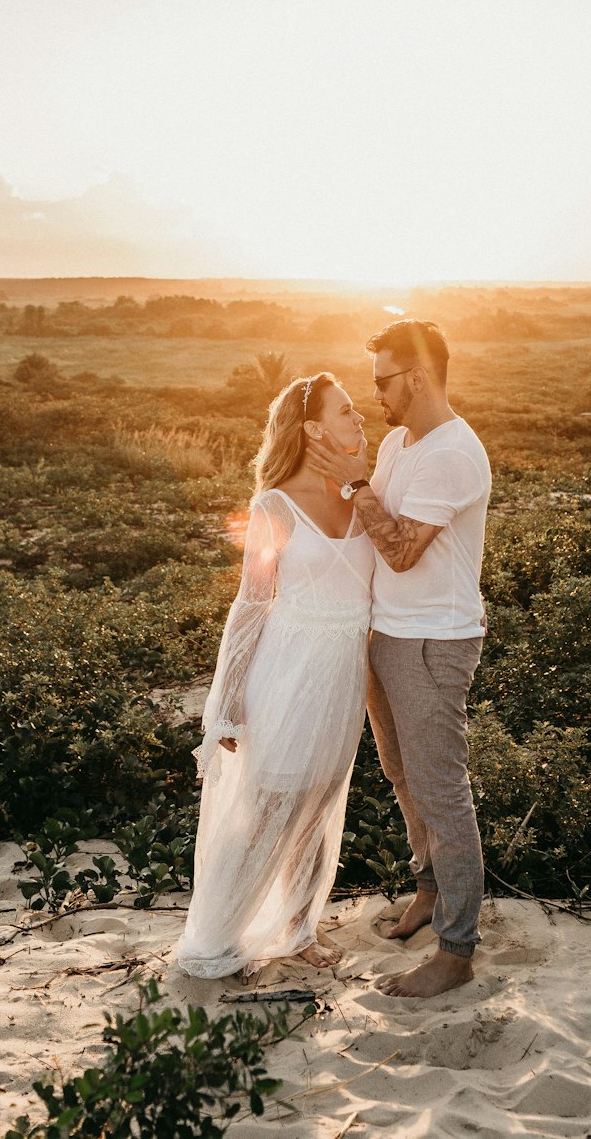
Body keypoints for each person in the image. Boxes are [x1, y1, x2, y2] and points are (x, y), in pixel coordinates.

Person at [307, 320, 491, 998]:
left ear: (416, 378)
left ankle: (457, 949)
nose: (375, 393)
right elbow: (364, 517)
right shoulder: (397, 440)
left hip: (433, 640)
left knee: (442, 790)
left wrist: (357, 486)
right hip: (386, 631)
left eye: (383, 380)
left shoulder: (454, 454)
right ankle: (428, 891)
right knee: (402, 775)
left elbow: (403, 548)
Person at [175, 372, 374, 978]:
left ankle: (297, 927)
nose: (360, 420)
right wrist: (229, 702)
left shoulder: (361, 495)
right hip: (287, 671)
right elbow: (252, 602)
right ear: (313, 428)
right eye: (347, 413)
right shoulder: (274, 505)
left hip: (343, 675)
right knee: (269, 804)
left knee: (319, 798)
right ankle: (217, 936)